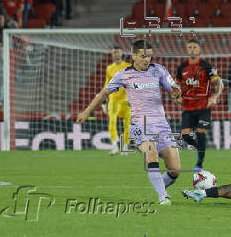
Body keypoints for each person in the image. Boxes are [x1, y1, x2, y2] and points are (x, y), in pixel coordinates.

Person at [77, 40, 182, 205]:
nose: (147, 59)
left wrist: (177, 97)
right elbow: (104, 93)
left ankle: (160, 186)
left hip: (162, 125)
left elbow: (175, 93)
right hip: (140, 125)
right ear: (134, 56)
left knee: (175, 169)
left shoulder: (159, 70)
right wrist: (87, 111)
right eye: (143, 56)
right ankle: (163, 197)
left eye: (149, 56)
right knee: (151, 154)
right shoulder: (124, 74)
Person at [175, 39, 223, 170]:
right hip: (187, 106)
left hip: (203, 107)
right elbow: (176, 86)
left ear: (199, 49)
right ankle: (200, 148)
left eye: (194, 47)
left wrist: (214, 96)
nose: (192, 49)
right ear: (186, 49)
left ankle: (199, 163)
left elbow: (219, 83)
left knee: (201, 133)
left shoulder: (207, 67)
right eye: (189, 47)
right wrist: (177, 96)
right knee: (185, 135)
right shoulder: (182, 67)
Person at [102, 46, 131, 155]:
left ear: (122, 53)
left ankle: (125, 146)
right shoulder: (109, 68)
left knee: (127, 124)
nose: (116, 54)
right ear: (112, 54)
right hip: (113, 99)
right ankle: (114, 146)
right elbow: (107, 85)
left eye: (118, 52)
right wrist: (104, 102)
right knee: (112, 121)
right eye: (114, 53)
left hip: (126, 100)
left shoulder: (128, 67)